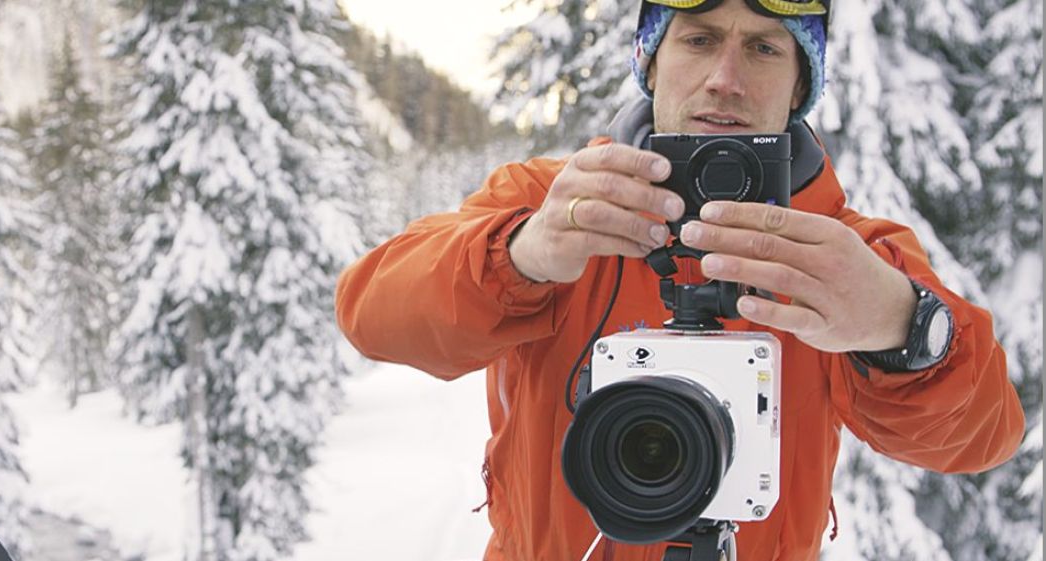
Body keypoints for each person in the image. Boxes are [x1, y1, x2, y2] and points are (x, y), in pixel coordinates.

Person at [334, 0, 1026, 559]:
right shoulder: (555, 204)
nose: (725, 77)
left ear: (798, 87)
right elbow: (372, 312)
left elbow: (985, 432)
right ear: (653, 62)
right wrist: (519, 254)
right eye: (697, 39)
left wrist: (906, 328)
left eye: (764, 47)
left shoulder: (842, 252)